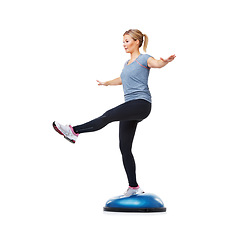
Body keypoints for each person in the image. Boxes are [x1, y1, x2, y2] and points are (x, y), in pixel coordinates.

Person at [53, 29, 176, 197]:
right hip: (130, 107)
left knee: (108, 115)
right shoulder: (126, 64)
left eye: (127, 41)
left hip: (141, 104)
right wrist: (106, 83)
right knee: (124, 148)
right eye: (123, 41)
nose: (124, 44)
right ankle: (133, 187)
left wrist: (165, 62)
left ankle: (73, 131)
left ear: (137, 42)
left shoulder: (144, 59)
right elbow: (122, 79)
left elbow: (157, 64)